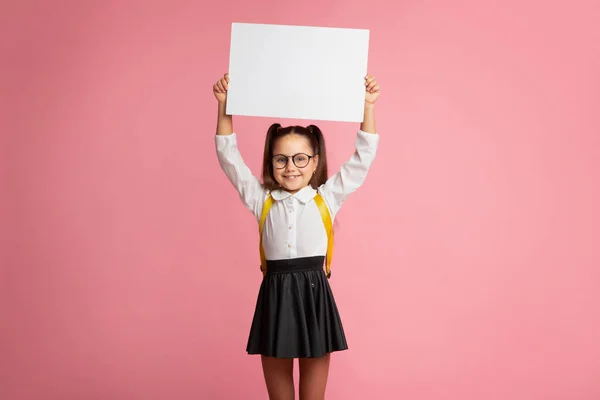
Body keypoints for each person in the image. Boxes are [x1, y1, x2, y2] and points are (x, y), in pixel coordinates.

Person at [213, 72, 380, 400]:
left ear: (315, 161)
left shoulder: (326, 198)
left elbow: (362, 160)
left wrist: (368, 106)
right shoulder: (261, 199)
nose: (291, 167)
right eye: (281, 159)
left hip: (314, 294)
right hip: (275, 294)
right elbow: (229, 158)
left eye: (300, 158)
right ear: (271, 162)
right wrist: (223, 107)